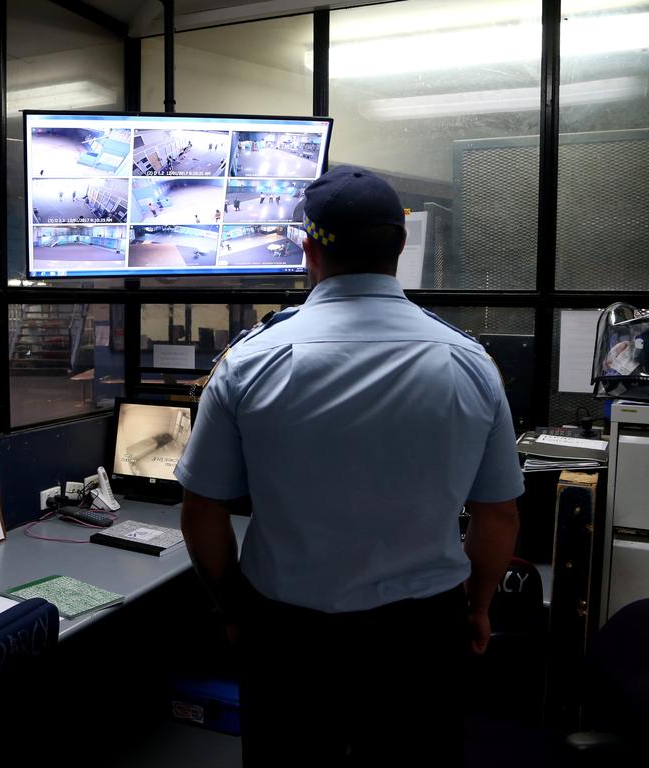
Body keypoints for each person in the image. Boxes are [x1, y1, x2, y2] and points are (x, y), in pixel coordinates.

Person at [175, 165, 522, 768]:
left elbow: (202, 513)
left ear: (309, 248)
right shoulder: (470, 363)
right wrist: (479, 605)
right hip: (421, 636)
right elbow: (499, 517)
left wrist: (232, 610)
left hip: (289, 637)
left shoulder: (249, 363)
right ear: (401, 244)